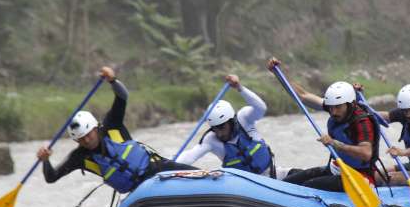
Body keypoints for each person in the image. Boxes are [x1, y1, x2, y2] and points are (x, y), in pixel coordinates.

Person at [36, 66, 197, 194]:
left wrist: (113, 80)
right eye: (80, 139)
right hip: (138, 192)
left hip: (159, 169)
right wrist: (45, 161)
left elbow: (122, 97)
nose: (86, 140)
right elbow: (51, 177)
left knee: (201, 176)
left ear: (95, 127)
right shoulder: (79, 157)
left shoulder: (112, 124)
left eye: (88, 134)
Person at [267, 58, 380, 192]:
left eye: (337, 107)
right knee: (289, 183)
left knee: (307, 187)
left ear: (350, 104)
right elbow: (302, 95)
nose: (333, 112)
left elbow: (366, 153)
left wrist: (334, 143)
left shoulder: (362, 122)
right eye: (331, 108)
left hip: (360, 177)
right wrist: (279, 73)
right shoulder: (336, 108)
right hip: (338, 169)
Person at [176, 74, 289, 179]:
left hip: (272, 174)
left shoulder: (245, 119)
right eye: (215, 128)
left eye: (221, 127)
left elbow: (261, 108)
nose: (219, 133)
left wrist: (239, 87)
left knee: (305, 175)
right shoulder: (211, 139)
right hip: (244, 187)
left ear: (231, 121)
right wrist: (167, 165)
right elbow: (190, 156)